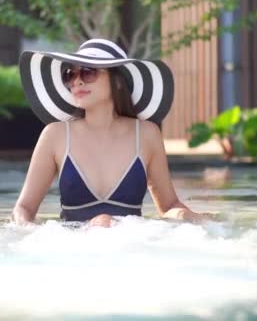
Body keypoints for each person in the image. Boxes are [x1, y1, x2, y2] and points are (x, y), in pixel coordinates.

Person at [12, 38, 212, 227]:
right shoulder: (55, 135)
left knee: (105, 222)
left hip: (128, 245)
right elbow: (24, 208)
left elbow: (168, 206)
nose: (77, 82)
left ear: (117, 81)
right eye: (70, 74)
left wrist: (189, 216)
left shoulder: (146, 134)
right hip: (73, 247)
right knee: (103, 221)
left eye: (88, 72)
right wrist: (31, 233)